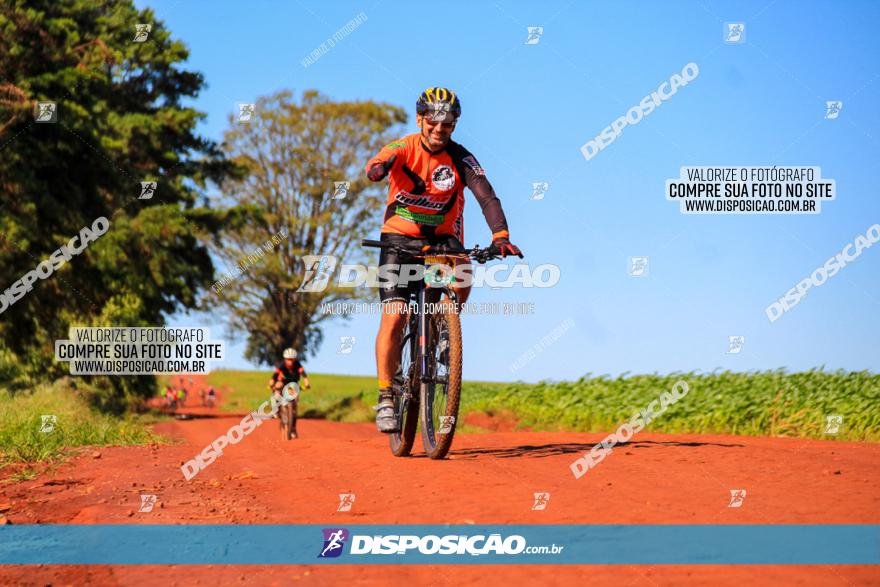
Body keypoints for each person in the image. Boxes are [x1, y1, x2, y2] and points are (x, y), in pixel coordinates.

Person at [364, 87, 522, 433]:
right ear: (420, 119)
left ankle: (444, 333)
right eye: (433, 121)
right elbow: (376, 163)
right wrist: (379, 168)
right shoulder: (403, 147)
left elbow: (486, 195)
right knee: (395, 317)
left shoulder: (462, 158)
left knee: (463, 268)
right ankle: (386, 396)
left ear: (454, 124)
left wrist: (501, 236)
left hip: (441, 240)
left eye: (447, 122)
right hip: (399, 239)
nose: (439, 128)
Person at [268, 348, 311, 438]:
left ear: (295, 359)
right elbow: (274, 376)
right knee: (277, 389)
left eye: (292, 359)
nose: (290, 362)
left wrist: (306, 383)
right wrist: (272, 383)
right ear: (285, 359)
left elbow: (304, 375)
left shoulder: (298, 365)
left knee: (295, 406)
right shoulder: (282, 365)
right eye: (288, 359)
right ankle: (275, 410)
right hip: (283, 383)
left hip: (293, 385)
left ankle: (293, 429)